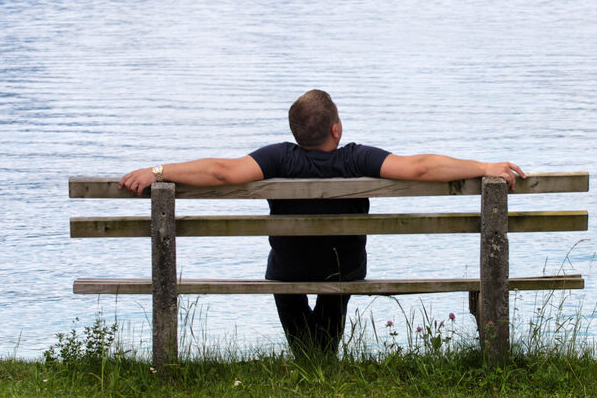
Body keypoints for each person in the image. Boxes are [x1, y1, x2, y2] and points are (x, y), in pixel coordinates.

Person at [119, 89, 524, 355]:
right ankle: (321, 359)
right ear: (336, 128)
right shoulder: (356, 158)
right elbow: (419, 167)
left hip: (288, 269)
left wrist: (158, 170)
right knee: (337, 274)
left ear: (296, 132)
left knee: (283, 275)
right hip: (342, 268)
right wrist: (485, 166)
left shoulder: (279, 157)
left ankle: (311, 359)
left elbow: (222, 172)